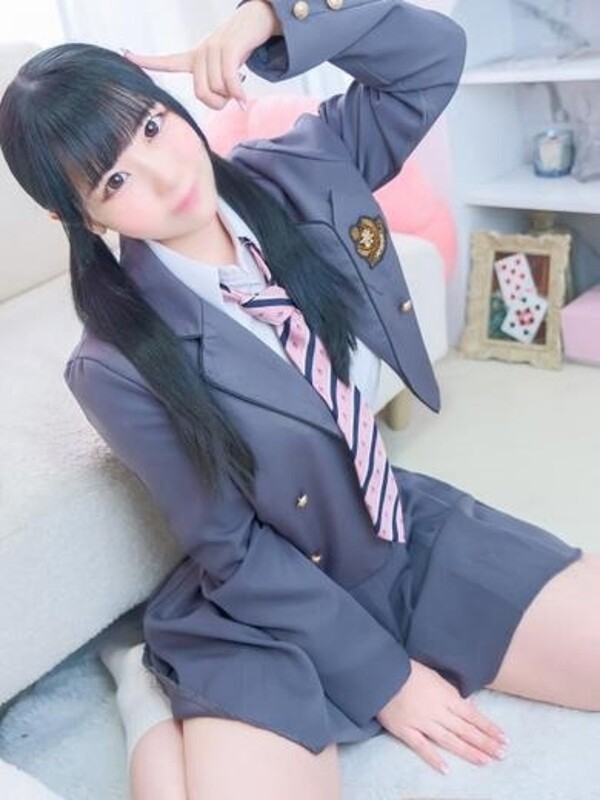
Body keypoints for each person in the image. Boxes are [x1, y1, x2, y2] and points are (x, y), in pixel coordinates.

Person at [1, 0, 598, 798]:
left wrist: (273, 19)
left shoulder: (302, 169)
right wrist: (390, 680)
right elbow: (234, 549)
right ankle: (149, 695)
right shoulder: (115, 364)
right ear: (74, 214)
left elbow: (431, 59)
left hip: (393, 530)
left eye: (151, 127)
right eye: (114, 179)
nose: (167, 175)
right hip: (268, 605)